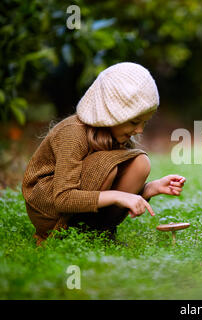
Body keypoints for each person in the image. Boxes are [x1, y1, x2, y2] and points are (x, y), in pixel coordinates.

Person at [21, 62, 186, 246]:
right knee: (106, 167)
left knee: (140, 162)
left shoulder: (114, 135)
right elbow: (63, 199)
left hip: (79, 200)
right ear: (110, 115)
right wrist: (117, 196)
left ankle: (96, 234)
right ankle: (59, 235)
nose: (139, 130)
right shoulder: (73, 133)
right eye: (133, 122)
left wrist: (151, 188)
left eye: (144, 123)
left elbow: (114, 188)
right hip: (50, 208)